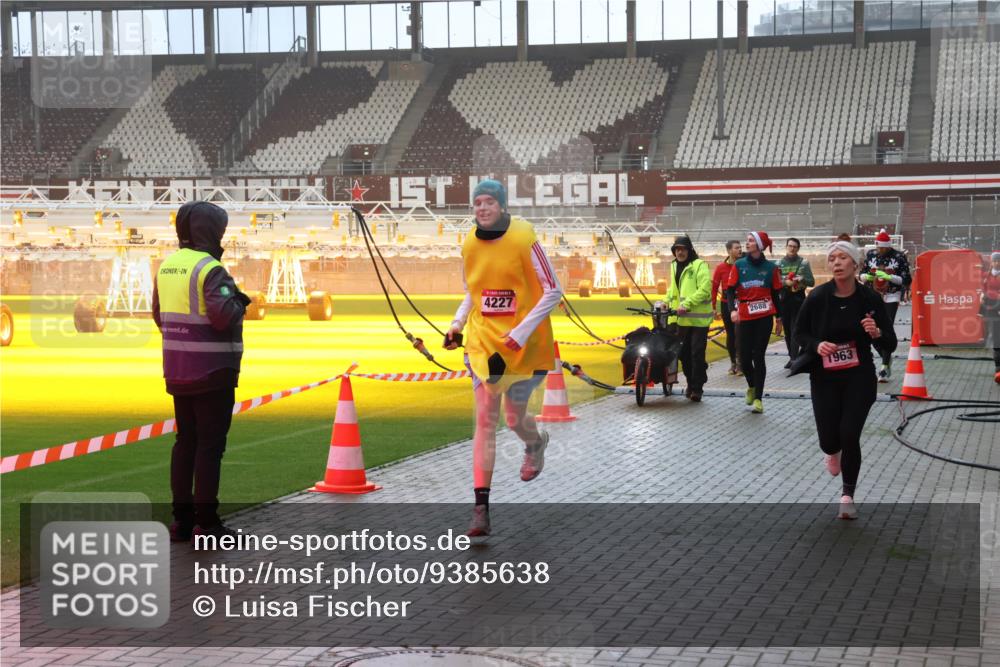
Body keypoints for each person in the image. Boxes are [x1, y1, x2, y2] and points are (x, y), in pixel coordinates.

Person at [444, 180, 562, 537]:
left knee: (513, 418)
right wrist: (456, 324)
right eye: (477, 202)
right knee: (485, 420)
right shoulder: (468, 243)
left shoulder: (524, 237)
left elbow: (554, 290)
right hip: (483, 345)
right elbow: (472, 292)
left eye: (489, 201)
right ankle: (481, 507)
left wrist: (519, 334)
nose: (482, 208)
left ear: (502, 205)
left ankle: (535, 443)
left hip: (525, 344)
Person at [152, 201, 251, 541]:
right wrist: (240, 300)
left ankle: (181, 521)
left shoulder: (167, 267)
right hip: (213, 370)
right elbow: (223, 316)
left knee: (185, 444)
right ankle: (206, 522)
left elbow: (158, 315)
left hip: (177, 369)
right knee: (210, 448)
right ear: (211, 231)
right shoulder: (212, 269)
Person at [792, 240, 897, 520]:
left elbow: (891, 343)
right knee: (829, 439)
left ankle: (847, 495)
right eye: (832, 259)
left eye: (842, 258)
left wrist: (876, 334)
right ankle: (831, 450)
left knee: (850, 434)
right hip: (824, 376)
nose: (836, 263)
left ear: (855, 264)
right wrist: (817, 345)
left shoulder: (869, 299)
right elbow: (799, 334)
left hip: (859, 375)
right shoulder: (818, 296)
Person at [726, 231, 783, 414]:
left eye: (751, 241)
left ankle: (758, 397)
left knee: (758, 356)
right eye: (747, 241)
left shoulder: (771, 268)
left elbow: (776, 294)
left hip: (764, 317)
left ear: (760, 245)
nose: (747, 243)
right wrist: (733, 310)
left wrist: (779, 317)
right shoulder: (739, 265)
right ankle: (751, 385)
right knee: (743, 357)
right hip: (744, 316)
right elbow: (729, 290)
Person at [665, 236, 713, 401]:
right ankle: (691, 382)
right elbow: (674, 290)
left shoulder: (699, 265)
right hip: (681, 320)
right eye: (677, 249)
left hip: (699, 320)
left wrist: (687, 304)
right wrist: (665, 302)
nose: (680, 252)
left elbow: (705, 289)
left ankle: (697, 389)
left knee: (696, 354)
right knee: (683, 355)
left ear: (690, 250)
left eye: (683, 249)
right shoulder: (673, 266)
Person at [860, 229, 911, 382]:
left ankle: (883, 366)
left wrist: (889, 277)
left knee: (886, 328)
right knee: (871, 329)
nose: (879, 250)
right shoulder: (871, 255)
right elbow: (861, 274)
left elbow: (906, 279)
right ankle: (885, 356)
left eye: (882, 247)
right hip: (872, 296)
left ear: (888, 246)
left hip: (891, 296)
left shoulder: (899, 256)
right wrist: (866, 276)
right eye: (878, 247)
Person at [777, 237, 815, 368]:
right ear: (786, 247)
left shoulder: (803, 263)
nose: (792, 248)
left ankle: (794, 358)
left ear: (798, 248)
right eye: (790, 246)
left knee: (795, 330)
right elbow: (775, 284)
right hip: (784, 299)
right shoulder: (778, 263)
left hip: (798, 299)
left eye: (795, 246)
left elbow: (811, 282)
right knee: (787, 331)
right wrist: (784, 282)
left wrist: (801, 279)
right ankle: (791, 356)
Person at [712, 240, 743, 375]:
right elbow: (714, 288)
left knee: (741, 334)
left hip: (742, 303)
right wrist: (713, 307)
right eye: (737, 248)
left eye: (741, 247)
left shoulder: (744, 265)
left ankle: (742, 362)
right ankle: (733, 363)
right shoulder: (721, 268)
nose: (740, 249)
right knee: (731, 334)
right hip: (726, 304)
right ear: (729, 251)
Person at [983, 251, 1000, 383]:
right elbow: (984, 292)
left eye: (999, 260)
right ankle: (998, 369)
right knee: (996, 340)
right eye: (994, 261)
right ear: (991, 262)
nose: (997, 263)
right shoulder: (986, 276)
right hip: (992, 311)